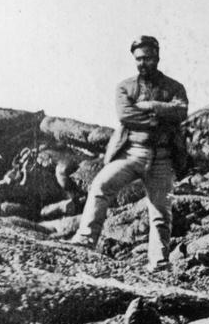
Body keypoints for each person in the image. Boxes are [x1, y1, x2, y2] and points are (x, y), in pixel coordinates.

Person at [70, 36, 188, 272]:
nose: (144, 63)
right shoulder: (125, 87)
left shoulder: (174, 87)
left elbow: (181, 111)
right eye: (139, 59)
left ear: (157, 57)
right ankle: (85, 240)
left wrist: (149, 106)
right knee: (101, 186)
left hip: (162, 156)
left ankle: (159, 262)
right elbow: (126, 116)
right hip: (132, 152)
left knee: (160, 212)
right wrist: (160, 118)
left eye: (148, 58)